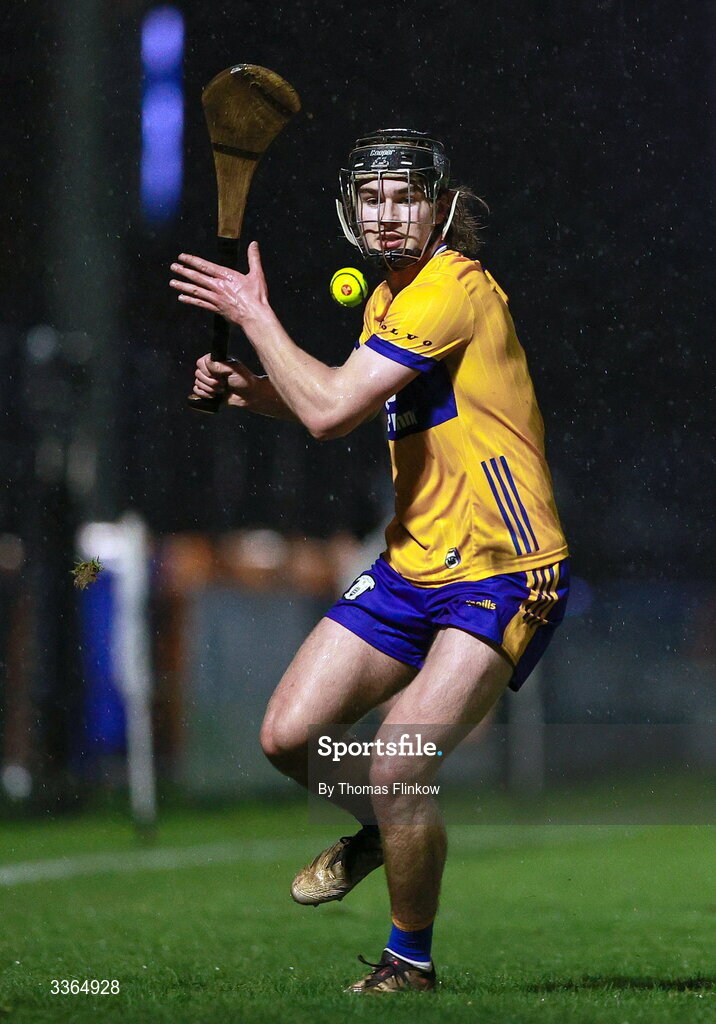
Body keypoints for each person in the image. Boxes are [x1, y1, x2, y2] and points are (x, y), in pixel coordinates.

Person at [170, 129, 569, 994]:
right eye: (374, 200)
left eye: (407, 198)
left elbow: (329, 415)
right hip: (411, 567)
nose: (390, 217)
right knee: (288, 736)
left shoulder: (449, 291)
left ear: (441, 206)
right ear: (352, 211)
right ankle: (384, 827)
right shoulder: (385, 302)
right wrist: (250, 392)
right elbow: (329, 405)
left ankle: (408, 962)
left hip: (502, 568)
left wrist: (254, 317)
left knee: (397, 758)